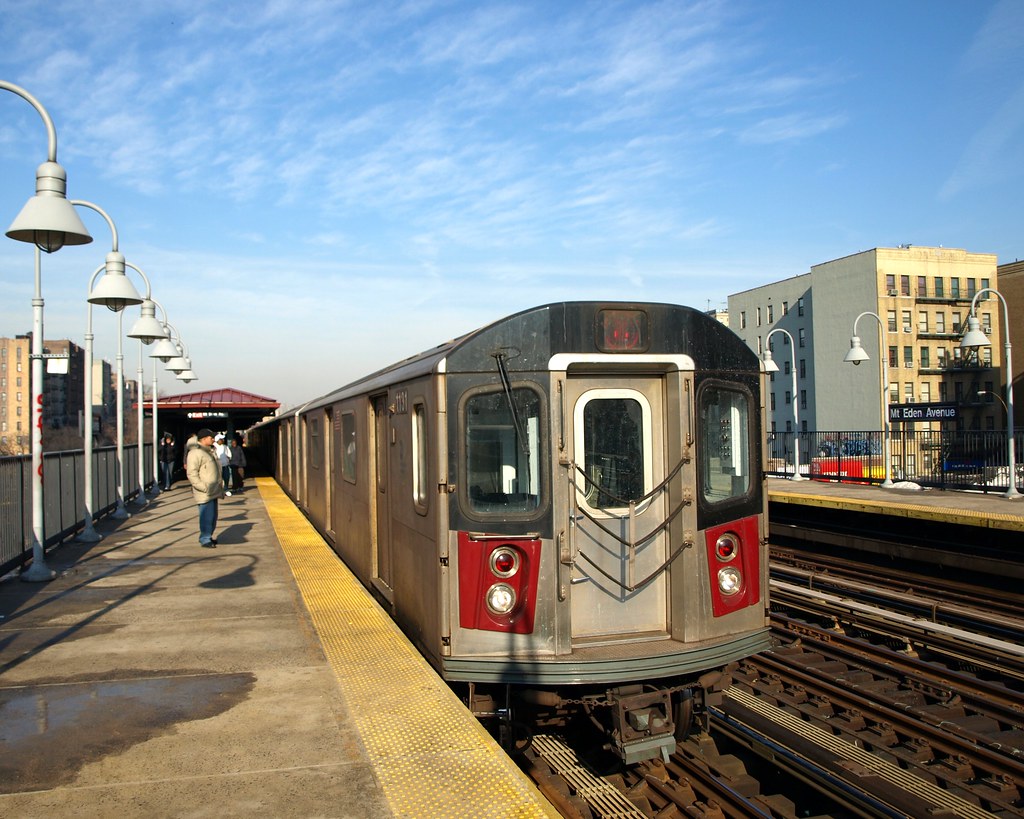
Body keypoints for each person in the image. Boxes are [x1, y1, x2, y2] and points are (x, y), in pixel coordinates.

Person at [186, 428, 225, 548]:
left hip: (213, 489)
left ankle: (208, 536)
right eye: (211, 437)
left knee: (212, 516)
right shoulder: (195, 453)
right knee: (206, 517)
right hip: (205, 491)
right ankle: (205, 538)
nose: (213, 439)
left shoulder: (210, 451)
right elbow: (192, 473)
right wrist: (203, 487)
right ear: (203, 439)